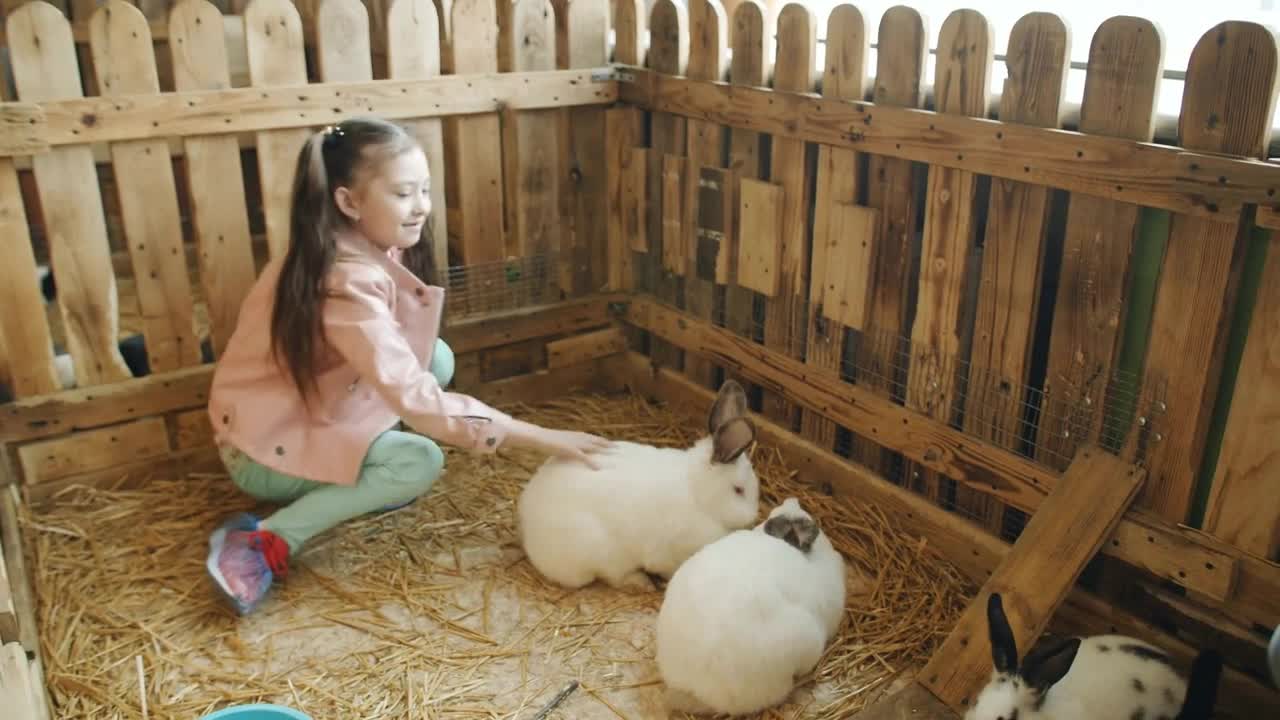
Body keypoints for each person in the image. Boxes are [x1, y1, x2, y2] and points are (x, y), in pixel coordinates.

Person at [204, 117, 613, 615]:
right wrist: (541, 437)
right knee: (419, 461)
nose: (421, 205)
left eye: (424, 189)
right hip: (262, 449)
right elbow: (414, 398)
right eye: (403, 193)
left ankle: (362, 460)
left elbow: (399, 368)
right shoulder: (343, 279)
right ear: (348, 202)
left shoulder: (340, 239)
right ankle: (266, 540)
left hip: (298, 407)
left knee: (436, 358)